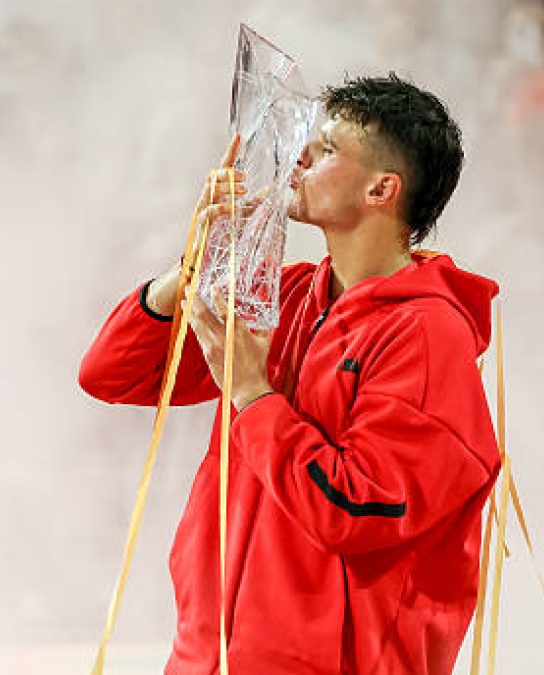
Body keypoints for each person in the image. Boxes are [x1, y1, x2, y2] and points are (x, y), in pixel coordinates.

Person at [79, 74, 502, 674]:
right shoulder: (287, 294)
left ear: (382, 189)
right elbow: (112, 373)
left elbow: (356, 508)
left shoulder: (429, 335)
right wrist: (193, 265)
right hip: (210, 654)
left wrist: (253, 395)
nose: (298, 157)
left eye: (326, 148)